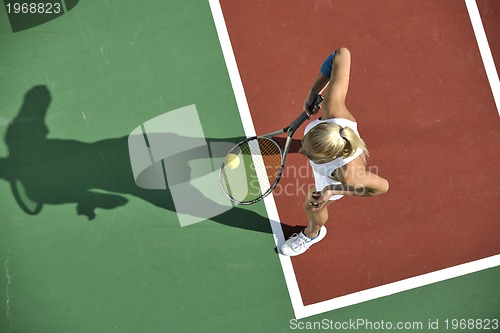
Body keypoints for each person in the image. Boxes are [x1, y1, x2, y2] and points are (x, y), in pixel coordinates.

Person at [279, 47, 389, 256]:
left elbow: (382, 187)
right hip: (337, 147)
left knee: (312, 206)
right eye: (307, 145)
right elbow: (342, 53)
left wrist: (334, 190)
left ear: (329, 158)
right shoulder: (332, 109)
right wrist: (314, 92)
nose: (302, 151)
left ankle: (312, 234)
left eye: (309, 154)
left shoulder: (348, 176)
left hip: (331, 181)